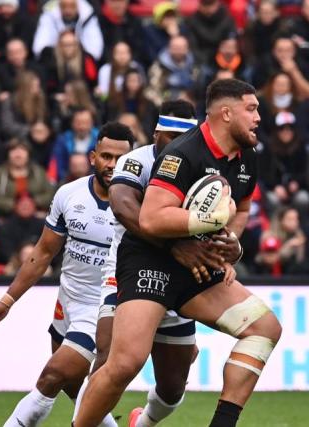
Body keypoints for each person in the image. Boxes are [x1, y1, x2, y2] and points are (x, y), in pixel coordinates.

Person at [75, 79, 282, 427]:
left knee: (264, 328)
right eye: (252, 108)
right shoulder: (183, 154)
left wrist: (231, 240)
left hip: (197, 267)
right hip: (149, 262)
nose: (259, 117)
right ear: (226, 113)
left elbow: (242, 208)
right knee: (125, 362)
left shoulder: (247, 157)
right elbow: (151, 218)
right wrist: (202, 220)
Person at [0, 123, 133, 427]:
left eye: (120, 159)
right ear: (93, 157)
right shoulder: (69, 195)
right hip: (66, 303)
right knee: (76, 390)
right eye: (106, 156)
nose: (112, 164)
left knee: (51, 377)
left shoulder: (139, 205)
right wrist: (7, 301)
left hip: (102, 310)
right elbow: (43, 253)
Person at [71, 100, 207, 427]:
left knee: (173, 388)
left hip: (176, 282)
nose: (175, 145)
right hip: (125, 273)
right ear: (155, 134)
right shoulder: (135, 161)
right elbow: (123, 206)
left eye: (183, 138)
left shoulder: (201, 167)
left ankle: (141, 424)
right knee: (108, 361)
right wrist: (173, 247)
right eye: (168, 136)